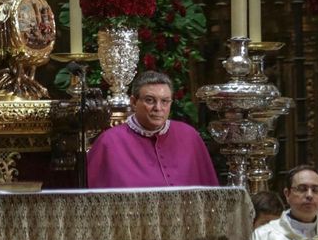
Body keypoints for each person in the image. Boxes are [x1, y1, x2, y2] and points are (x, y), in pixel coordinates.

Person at [87, 70, 219, 188]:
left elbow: (210, 195)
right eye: (150, 100)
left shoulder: (189, 136)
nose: (158, 108)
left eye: (165, 101)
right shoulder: (109, 142)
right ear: (133, 102)